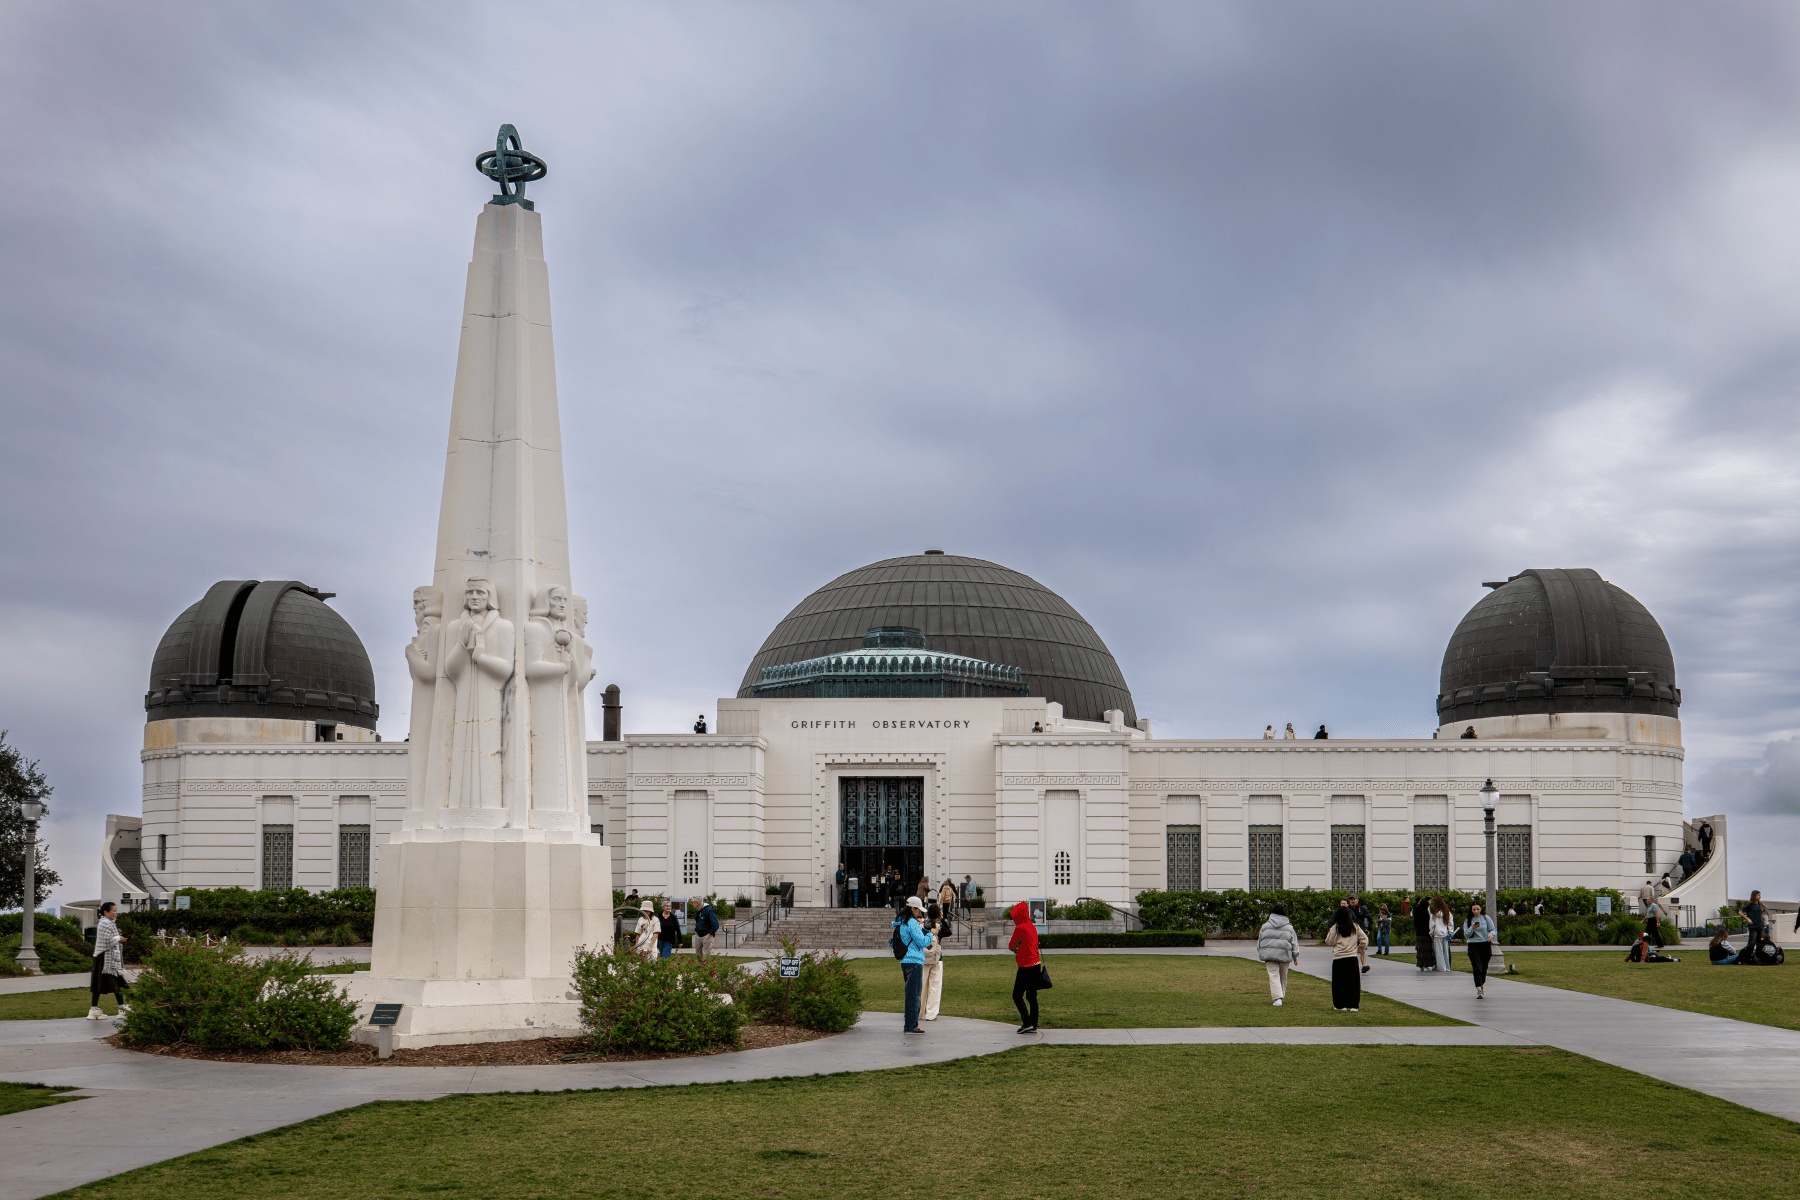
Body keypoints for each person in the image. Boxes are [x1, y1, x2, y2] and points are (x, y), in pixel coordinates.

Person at [893, 896, 934, 1034]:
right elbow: (921, 941)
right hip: (915, 961)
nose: (920, 914)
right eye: (918, 910)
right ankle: (910, 1026)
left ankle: (910, 1024)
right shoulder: (912, 922)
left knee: (910, 994)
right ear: (913, 908)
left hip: (905, 961)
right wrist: (930, 935)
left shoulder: (900, 922)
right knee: (914, 995)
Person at [87, 902, 129, 1020]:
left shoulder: (108, 923)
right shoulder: (105, 924)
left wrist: (118, 938)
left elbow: (110, 939)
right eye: (114, 910)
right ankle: (121, 1009)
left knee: (101, 983)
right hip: (105, 958)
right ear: (106, 912)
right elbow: (107, 941)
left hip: (107, 958)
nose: (115, 913)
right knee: (114, 982)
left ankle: (94, 1010)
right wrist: (118, 938)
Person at [1008, 899, 1043, 1033]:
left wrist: (1016, 950)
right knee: (1031, 997)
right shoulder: (1031, 926)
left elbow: (1011, 945)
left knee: (1017, 995)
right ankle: (1033, 1024)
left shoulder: (1020, 928)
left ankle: (1026, 1022)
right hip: (1036, 965)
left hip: (1025, 966)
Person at [1324, 906, 1368, 1011]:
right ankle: (1353, 1004)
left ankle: (1340, 1004)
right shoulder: (1355, 926)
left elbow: (1328, 941)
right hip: (1351, 957)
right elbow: (1365, 939)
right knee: (1353, 982)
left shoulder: (1336, 927)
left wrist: (1335, 942)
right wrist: (1359, 949)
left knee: (1339, 983)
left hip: (1339, 957)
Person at [1256, 902, 1300, 1007]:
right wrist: (1295, 956)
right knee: (1283, 976)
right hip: (1285, 954)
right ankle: (1281, 995)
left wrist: (1261, 951)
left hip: (1269, 954)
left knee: (1273, 976)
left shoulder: (1265, 926)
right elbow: (1294, 942)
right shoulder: (1289, 927)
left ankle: (1277, 998)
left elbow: (1259, 942)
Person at [1462, 903, 1497, 998]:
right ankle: (1478, 989)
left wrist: (1491, 935)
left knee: (1484, 968)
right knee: (1477, 967)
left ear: (1481, 909)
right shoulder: (1468, 920)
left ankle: (1482, 985)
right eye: (1474, 909)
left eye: (1477, 909)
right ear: (1471, 910)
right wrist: (1472, 927)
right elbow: (1466, 934)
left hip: (1485, 944)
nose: (1476, 911)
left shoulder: (1486, 918)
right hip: (1473, 945)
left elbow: (1493, 930)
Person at [922, 900, 947, 1020]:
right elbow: (948, 932)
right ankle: (931, 1013)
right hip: (937, 958)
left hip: (923, 957)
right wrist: (942, 918)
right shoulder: (939, 927)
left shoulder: (921, 925)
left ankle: (920, 1011)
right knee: (935, 986)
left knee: (922, 986)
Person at [1430, 898, 1454, 973]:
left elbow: (1432, 925)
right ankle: (1447, 966)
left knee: (1438, 952)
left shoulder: (1434, 913)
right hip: (1445, 933)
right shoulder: (1447, 912)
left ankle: (1441, 967)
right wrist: (1450, 932)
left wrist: (1431, 933)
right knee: (1446, 951)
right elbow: (1450, 923)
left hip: (1437, 933)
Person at [1739, 890, 1767, 955]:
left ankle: (1759, 955)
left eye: (1760, 895)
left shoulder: (1760, 904)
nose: (1760, 896)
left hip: (1760, 925)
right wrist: (1747, 919)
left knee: (1761, 941)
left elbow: (1762, 913)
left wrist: (1764, 920)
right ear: (1754, 896)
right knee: (1752, 942)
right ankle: (1747, 956)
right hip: (1753, 926)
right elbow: (1740, 912)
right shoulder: (1750, 905)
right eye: (1758, 895)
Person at [1413, 895, 1436, 971]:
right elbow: (1429, 924)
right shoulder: (1426, 913)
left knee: (1420, 950)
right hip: (1426, 934)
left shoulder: (1416, 912)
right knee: (1426, 950)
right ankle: (1426, 964)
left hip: (1419, 934)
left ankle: (1420, 964)